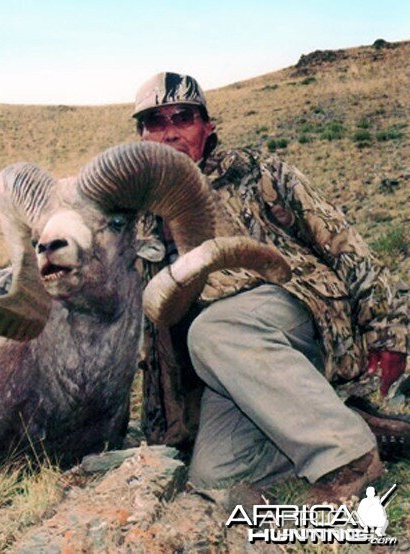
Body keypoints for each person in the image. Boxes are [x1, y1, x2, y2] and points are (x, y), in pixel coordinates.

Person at [132, 72, 408, 502]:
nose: (169, 132)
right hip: (230, 363)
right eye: (154, 122)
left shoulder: (256, 171)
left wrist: (387, 330)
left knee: (215, 330)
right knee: (213, 477)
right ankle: (343, 423)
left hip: (296, 308)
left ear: (207, 126)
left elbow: (341, 241)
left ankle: (347, 457)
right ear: (141, 137)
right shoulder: (139, 215)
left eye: (183, 117)